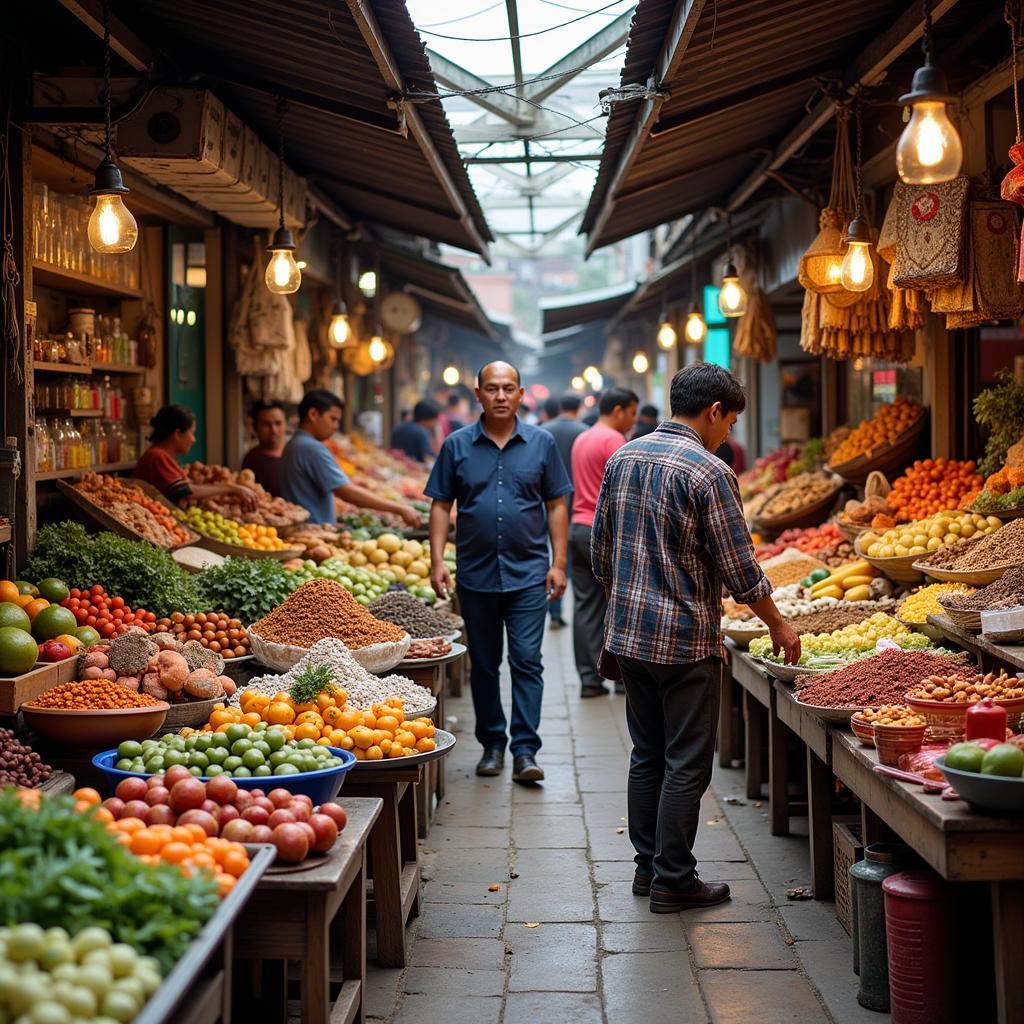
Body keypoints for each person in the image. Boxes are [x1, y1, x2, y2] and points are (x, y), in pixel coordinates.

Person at [591, 363, 800, 914]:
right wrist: (777, 622)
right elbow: (740, 570)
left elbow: (601, 552)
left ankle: (647, 870)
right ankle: (674, 879)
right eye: (729, 422)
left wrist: (630, 598)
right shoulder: (708, 473)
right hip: (683, 642)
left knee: (648, 754)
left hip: (629, 637)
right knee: (687, 759)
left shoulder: (623, 458)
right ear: (713, 412)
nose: (727, 432)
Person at [426, 361, 571, 784]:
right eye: (492, 388)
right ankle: (492, 745)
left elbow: (557, 505)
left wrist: (559, 563)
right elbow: (440, 504)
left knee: (527, 661)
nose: (501, 396)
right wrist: (438, 560)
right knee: (485, 666)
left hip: (529, 575)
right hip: (475, 574)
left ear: (521, 393)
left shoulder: (542, 444)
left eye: (509, 388)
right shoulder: (456, 445)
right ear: (478, 394)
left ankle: (525, 750)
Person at [570, 387, 638, 697]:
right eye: (632, 413)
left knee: (585, 607)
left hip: (577, 528)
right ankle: (623, 677)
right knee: (620, 602)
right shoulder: (614, 440)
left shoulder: (583, 437)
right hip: (604, 532)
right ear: (619, 411)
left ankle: (589, 679)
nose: (634, 421)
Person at [280, 388, 422, 528]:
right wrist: (400, 509)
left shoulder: (294, 444)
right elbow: (347, 493)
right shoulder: (311, 448)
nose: (336, 426)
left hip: (306, 529)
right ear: (313, 414)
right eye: (333, 419)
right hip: (314, 530)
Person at [134, 405, 258, 509]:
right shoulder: (157, 456)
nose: (194, 440)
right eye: (192, 433)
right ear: (177, 434)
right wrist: (231, 488)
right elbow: (185, 491)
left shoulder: (161, 456)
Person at [541, 393, 587, 630]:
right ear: (578, 407)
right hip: (577, 501)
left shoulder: (544, 430)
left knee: (552, 552)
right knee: (566, 554)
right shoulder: (584, 430)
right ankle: (565, 598)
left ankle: (555, 609)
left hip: (549, 500)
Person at [241, 399, 287, 495]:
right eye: (266, 424)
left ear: (285, 424)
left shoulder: (297, 455)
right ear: (255, 427)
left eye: (278, 423)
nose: (273, 430)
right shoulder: (252, 460)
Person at [390, 400, 440, 464]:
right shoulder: (421, 432)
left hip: (397, 466)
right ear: (427, 419)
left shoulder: (399, 427)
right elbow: (427, 457)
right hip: (415, 470)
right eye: (435, 420)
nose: (436, 423)